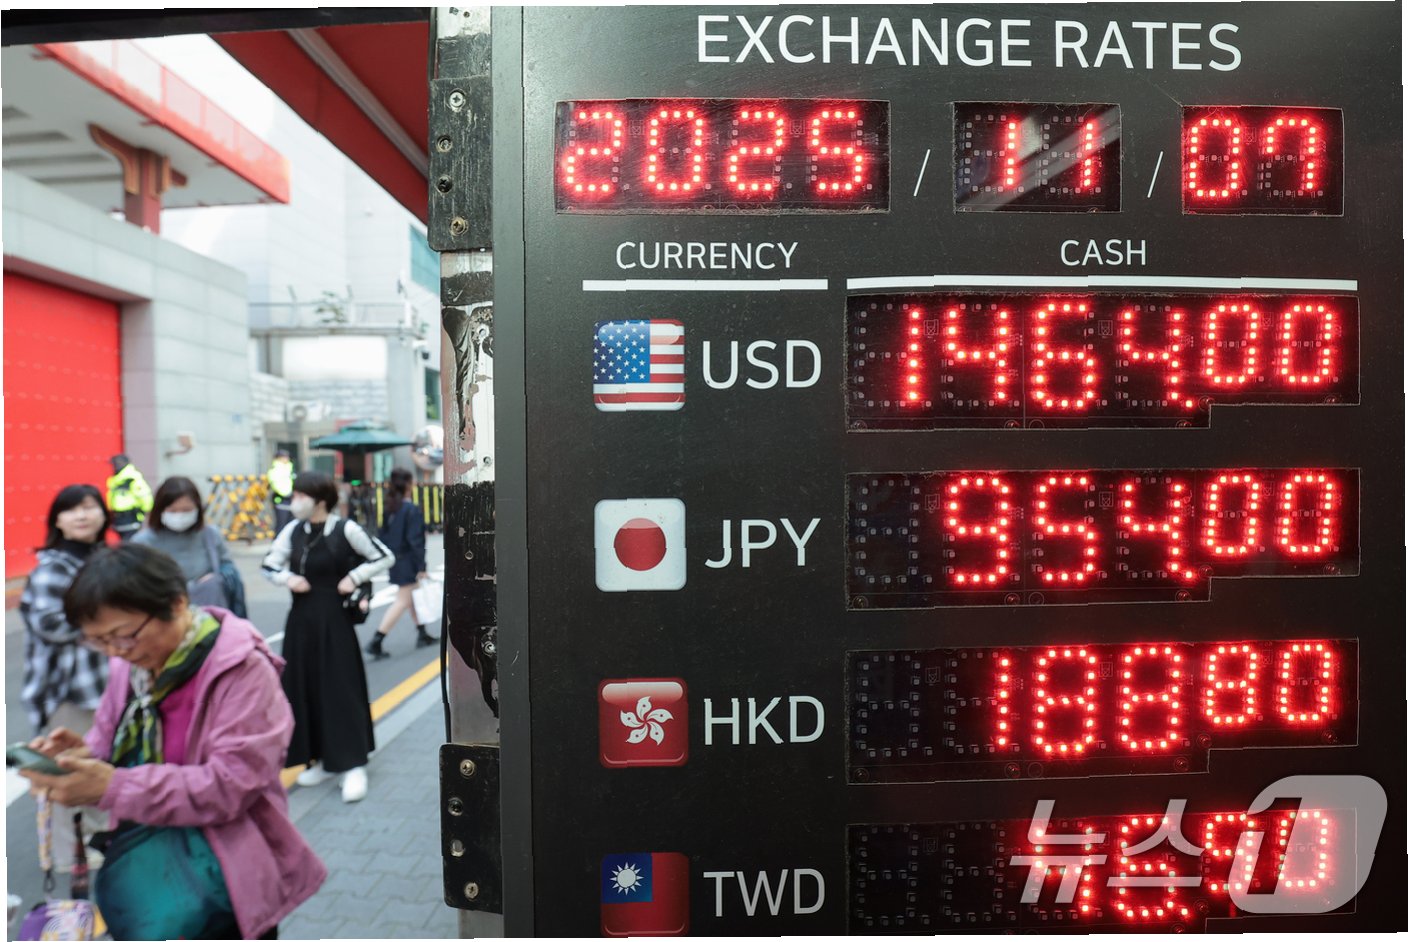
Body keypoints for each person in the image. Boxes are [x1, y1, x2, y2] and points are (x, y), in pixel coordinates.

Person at [20, 544, 327, 940]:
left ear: (177, 603)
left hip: (224, 877)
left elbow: (231, 785)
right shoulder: (131, 665)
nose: (114, 651)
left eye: (122, 636)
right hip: (150, 858)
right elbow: (109, 738)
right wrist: (81, 757)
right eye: (99, 641)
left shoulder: (242, 670)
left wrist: (113, 786)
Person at [261, 470, 394, 802]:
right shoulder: (293, 530)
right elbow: (269, 565)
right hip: (301, 621)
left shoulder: (344, 528)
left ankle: (353, 765)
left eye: (300, 496)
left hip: (334, 621)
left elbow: (384, 556)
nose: (294, 502)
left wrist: (354, 577)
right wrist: (288, 579)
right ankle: (320, 759)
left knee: (340, 688)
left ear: (320, 500)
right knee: (303, 688)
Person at [18, 484, 112, 873]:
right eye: (72, 509)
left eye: (90, 507)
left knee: (99, 763)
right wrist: (106, 626)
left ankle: (97, 836)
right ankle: (65, 854)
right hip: (67, 689)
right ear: (57, 520)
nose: (83, 515)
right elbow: (49, 623)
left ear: (103, 514)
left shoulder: (104, 559)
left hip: (105, 683)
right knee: (64, 769)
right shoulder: (53, 567)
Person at [364, 468, 435, 659]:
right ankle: (376, 640)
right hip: (408, 561)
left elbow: (383, 536)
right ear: (408, 485)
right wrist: (422, 567)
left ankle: (422, 633)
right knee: (403, 600)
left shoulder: (391, 508)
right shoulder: (410, 509)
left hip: (395, 560)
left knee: (411, 598)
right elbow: (415, 540)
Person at [133, 477, 236, 609]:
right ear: (160, 510)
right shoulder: (142, 542)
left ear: (198, 509)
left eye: (186, 510)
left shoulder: (210, 535)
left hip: (209, 612)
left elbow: (228, 567)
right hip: (162, 612)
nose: (180, 516)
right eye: (173, 511)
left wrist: (215, 579)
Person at [106, 454, 154, 541]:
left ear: (124, 463)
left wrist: (145, 512)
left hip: (131, 518)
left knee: (130, 543)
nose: (114, 466)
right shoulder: (116, 479)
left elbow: (145, 496)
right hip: (118, 519)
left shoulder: (132, 478)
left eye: (117, 463)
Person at [266, 450, 294, 533]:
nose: (286, 458)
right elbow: (276, 484)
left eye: (287, 456)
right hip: (281, 497)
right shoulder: (274, 470)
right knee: (281, 522)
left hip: (291, 497)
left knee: (291, 522)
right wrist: (286, 494)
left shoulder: (289, 468)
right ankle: (278, 539)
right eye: (284, 457)